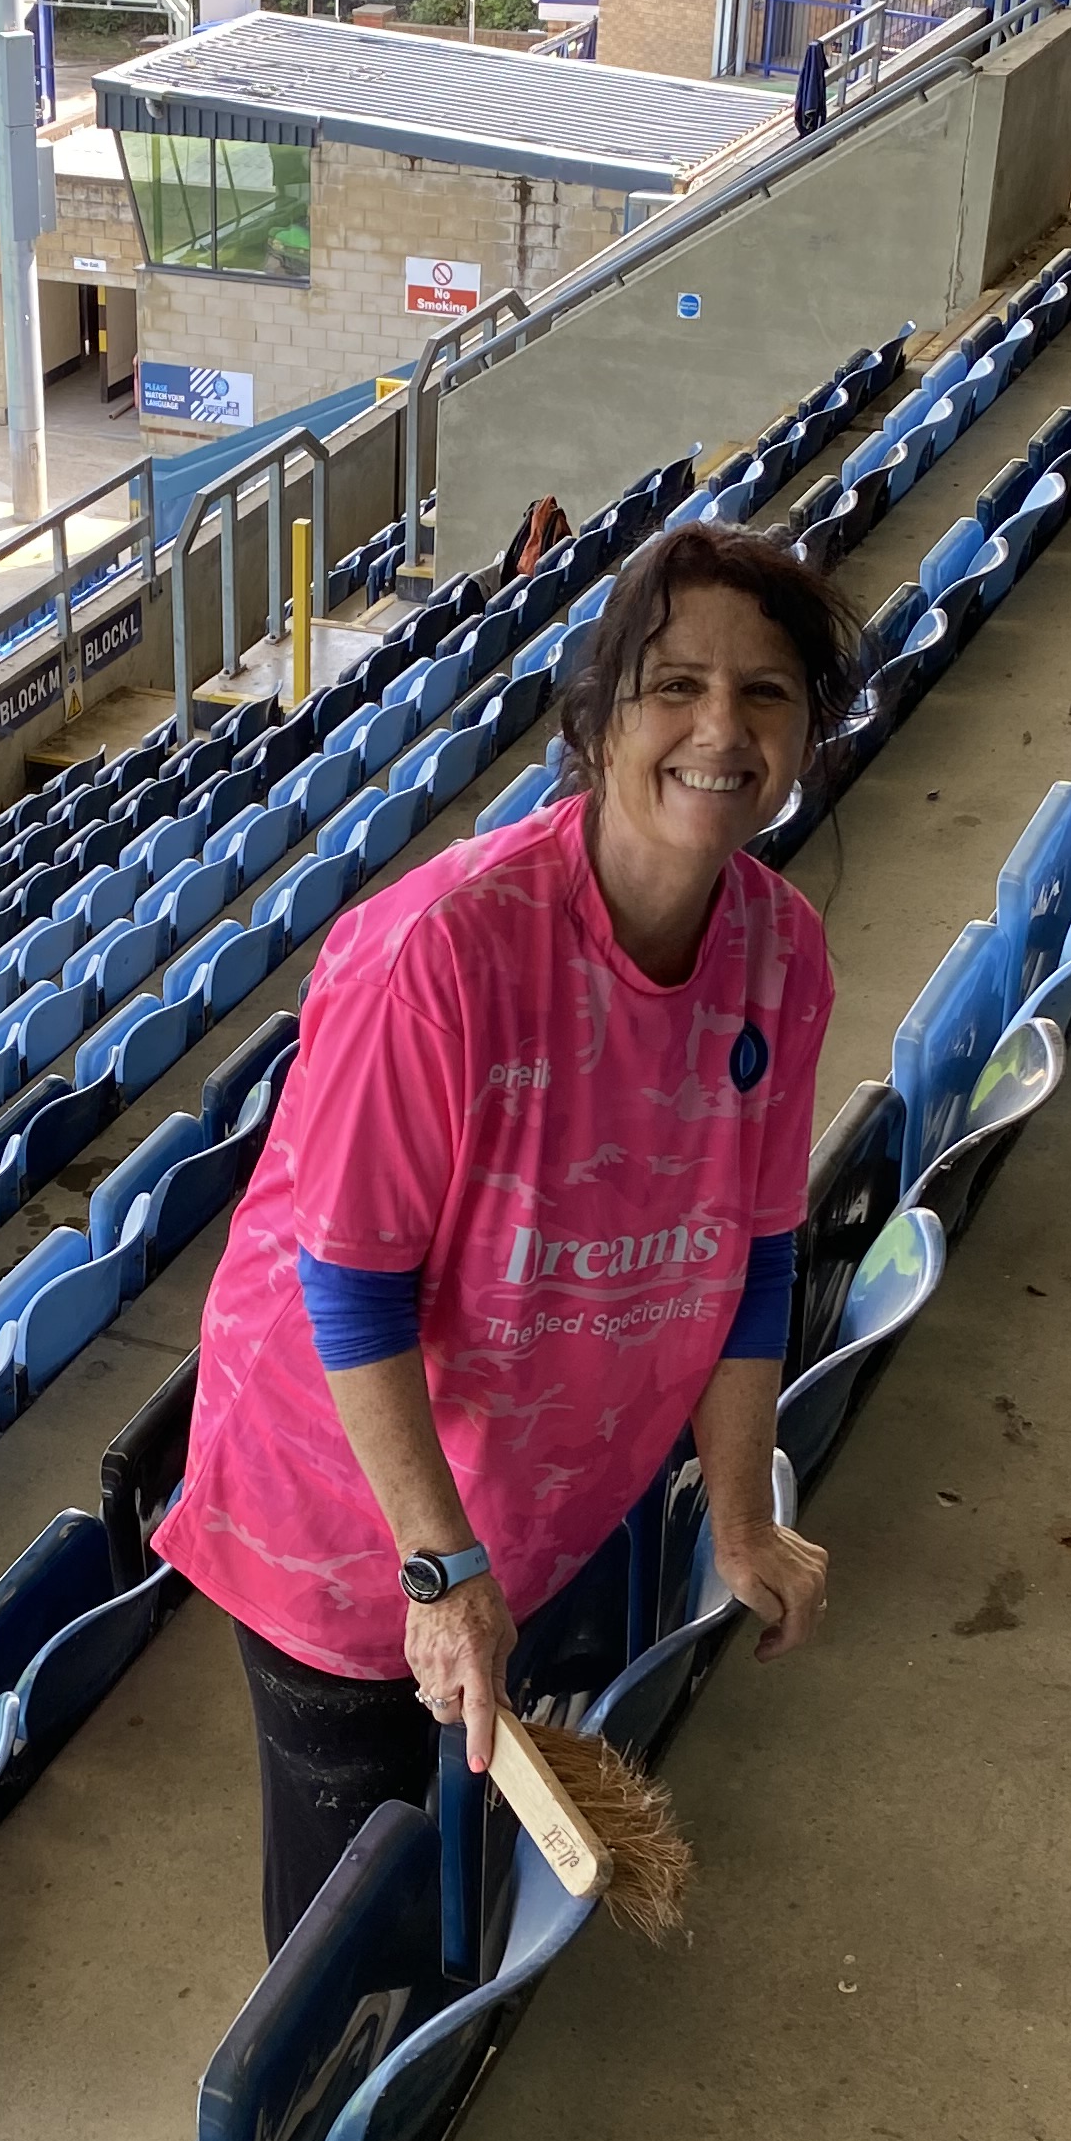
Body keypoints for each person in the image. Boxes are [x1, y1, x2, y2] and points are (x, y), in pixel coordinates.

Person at [155, 522, 847, 1960]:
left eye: (766, 693)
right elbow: (351, 1289)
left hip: (537, 1489)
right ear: (596, 720)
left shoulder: (784, 952)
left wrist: (739, 1515)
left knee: (458, 1836)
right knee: (351, 1901)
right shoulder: (443, 952)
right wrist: (438, 1570)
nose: (722, 730)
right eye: (677, 686)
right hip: (347, 1508)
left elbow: (758, 1255)